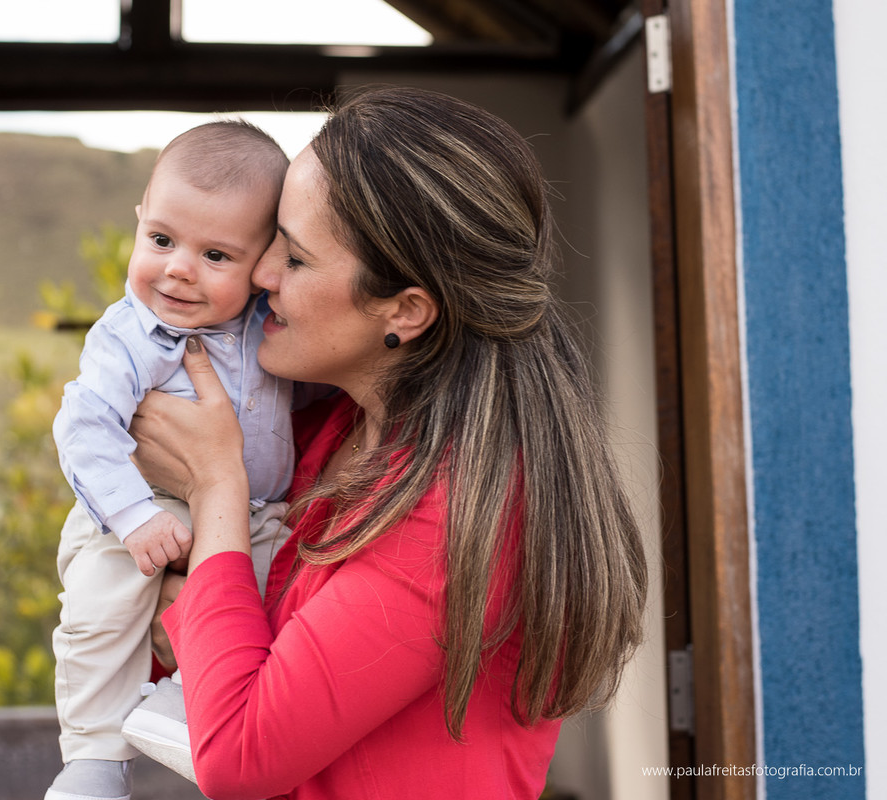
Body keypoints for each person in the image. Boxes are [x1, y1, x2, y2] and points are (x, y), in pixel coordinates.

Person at [128, 86, 649, 800]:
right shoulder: (327, 431)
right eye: (272, 237)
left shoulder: (456, 513)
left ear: (405, 309)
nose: (262, 273)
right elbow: (192, 658)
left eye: (298, 258)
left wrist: (215, 484)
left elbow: (239, 755)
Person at [46, 120, 295, 800]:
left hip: (257, 512)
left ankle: (192, 699)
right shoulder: (129, 336)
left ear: (264, 262)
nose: (179, 268)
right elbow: (86, 427)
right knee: (101, 607)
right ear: (138, 224)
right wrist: (131, 516)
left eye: (216, 255)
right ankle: (94, 761)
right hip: (136, 512)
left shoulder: (268, 327)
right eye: (161, 240)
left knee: (275, 601)